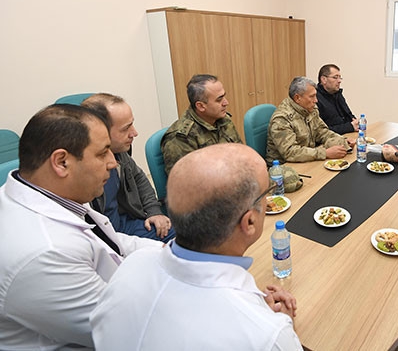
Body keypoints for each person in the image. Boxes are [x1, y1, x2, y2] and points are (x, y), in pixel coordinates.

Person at [91, 143, 303, 350]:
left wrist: (256, 306)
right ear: (249, 222)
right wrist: (281, 324)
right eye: (267, 193)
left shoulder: (130, 266)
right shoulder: (269, 336)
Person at [0, 104, 160, 349]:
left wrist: (173, 254)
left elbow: (111, 242)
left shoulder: (47, 190)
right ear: (62, 162)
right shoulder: (44, 252)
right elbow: (127, 330)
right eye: (103, 153)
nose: (113, 163)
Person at [82, 93, 175, 242]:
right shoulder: (84, 173)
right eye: (125, 128)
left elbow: (139, 178)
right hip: (110, 238)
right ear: (100, 131)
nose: (134, 133)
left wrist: (154, 211)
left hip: (128, 223)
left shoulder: (119, 152)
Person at [161, 74, 242, 174]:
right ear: (201, 106)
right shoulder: (181, 138)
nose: (226, 103)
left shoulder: (223, 120)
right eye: (219, 99)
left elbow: (241, 154)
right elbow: (186, 180)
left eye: (224, 96)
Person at [266, 76, 352, 164]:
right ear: (297, 98)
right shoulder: (282, 119)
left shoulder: (309, 108)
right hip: (283, 166)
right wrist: (325, 153)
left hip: (306, 158)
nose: (316, 100)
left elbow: (322, 132)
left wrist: (342, 141)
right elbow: (290, 152)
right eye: (312, 96)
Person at [316, 64, 358, 134]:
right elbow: (321, 131)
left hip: (348, 135)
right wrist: (350, 127)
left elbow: (349, 115)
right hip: (331, 139)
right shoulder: (315, 98)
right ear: (324, 79)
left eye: (340, 78)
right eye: (335, 77)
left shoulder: (337, 94)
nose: (339, 81)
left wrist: (356, 122)